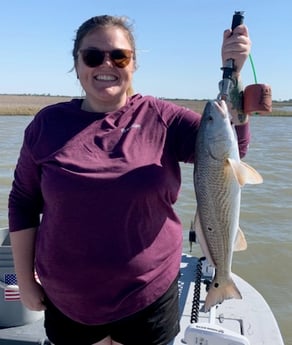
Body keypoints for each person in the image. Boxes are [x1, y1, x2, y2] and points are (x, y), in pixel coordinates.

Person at [8, 15, 251, 345]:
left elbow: (227, 149)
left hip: (148, 297)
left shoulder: (162, 118)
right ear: (77, 64)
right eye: (93, 56)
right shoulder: (47, 124)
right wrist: (25, 280)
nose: (105, 64)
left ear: (133, 63)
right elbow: (23, 202)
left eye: (119, 56)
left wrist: (233, 75)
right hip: (68, 300)